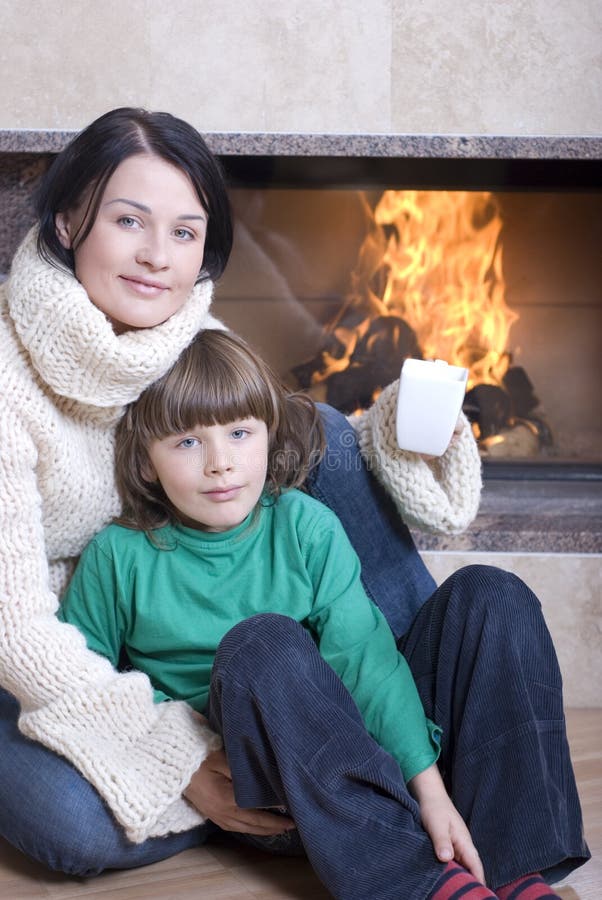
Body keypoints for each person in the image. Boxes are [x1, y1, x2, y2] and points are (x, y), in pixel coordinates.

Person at [0, 106, 588, 898]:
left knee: (477, 591)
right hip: (89, 669)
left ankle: (473, 835)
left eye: (184, 232)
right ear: (69, 221)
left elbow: (294, 418)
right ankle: (343, 804)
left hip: (276, 648)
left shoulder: (190, 331)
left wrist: (411, 430)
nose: (156, 257)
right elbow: (24, 635)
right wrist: (175, 758)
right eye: (128, 221)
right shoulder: (20, 399)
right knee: (66, 820)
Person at [59, 327, 494, 898]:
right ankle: (417, 884)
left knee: (494, 596)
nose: (220, 463)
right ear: (146, 463)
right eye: (187, 443)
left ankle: (503, 869)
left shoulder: (306, 526)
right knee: (263, 643)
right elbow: (83, 681)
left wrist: (430, 790)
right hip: (251, 789)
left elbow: (364, 660)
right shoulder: (119, 556)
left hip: (340, 773)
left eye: (239, 433)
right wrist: (174, 761)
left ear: (267, 439)